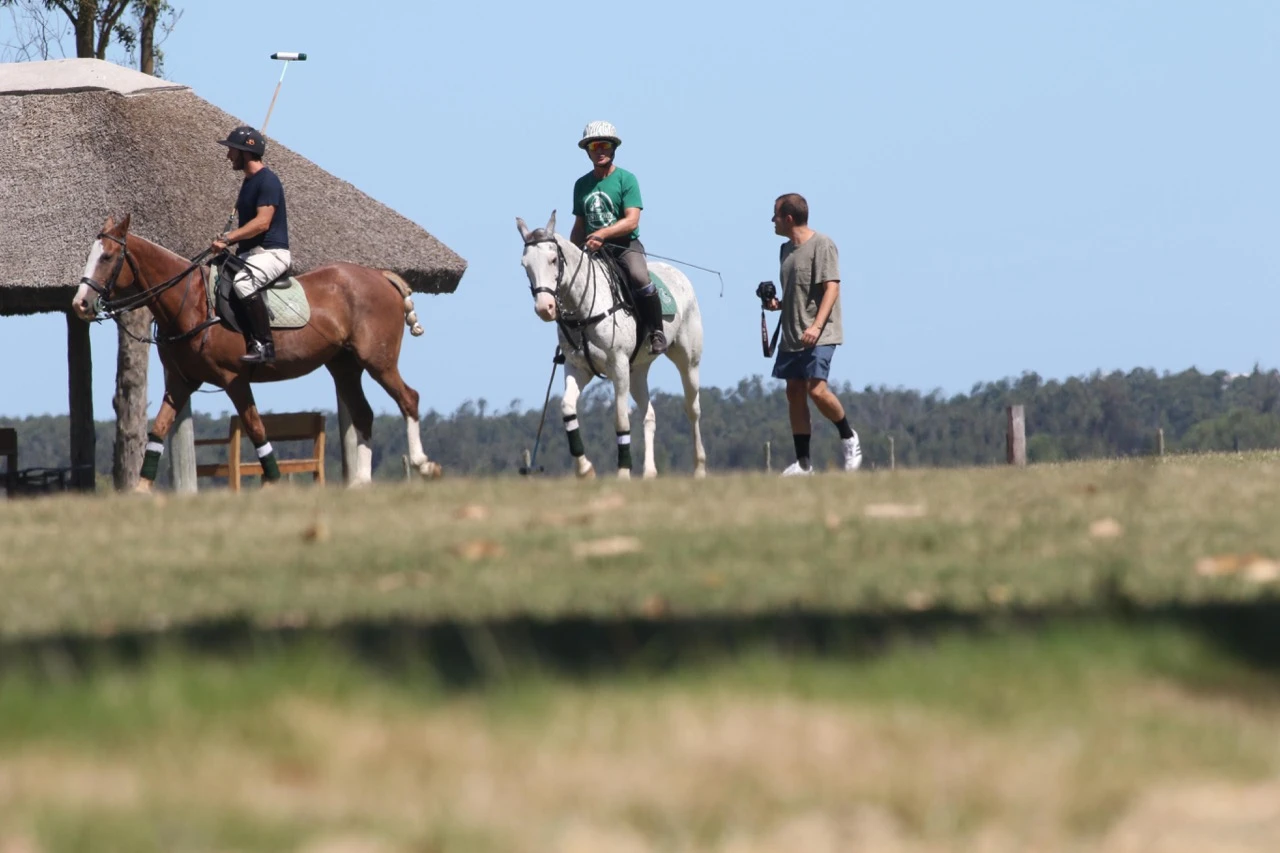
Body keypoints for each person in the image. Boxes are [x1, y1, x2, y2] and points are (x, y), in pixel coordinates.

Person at [763, 193, 862, 475]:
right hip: (792, 334)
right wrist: (776, 305)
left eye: (776, 215)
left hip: (821, 333)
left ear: (789, 218)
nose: (772, 220)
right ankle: (804, 464)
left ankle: (848, 436)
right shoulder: (785, 250)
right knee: (794, 392)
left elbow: (832, 288)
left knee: (816, 390)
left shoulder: (823, 245)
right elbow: (797, 294)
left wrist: (817, 326)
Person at [571, 120, 667, 355]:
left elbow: (632, 220)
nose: (600, 151)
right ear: (588, 152)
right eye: (594, 147)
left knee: (639, 277)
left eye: (604, 145)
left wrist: (603, 234)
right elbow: (579, 225)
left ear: (613, 148)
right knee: (570, 286)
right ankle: (570, 341)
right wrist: (571, 252)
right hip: (593, 249)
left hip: (624, 246)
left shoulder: (627, 179)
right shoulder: (581, 185)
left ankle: (657, 331)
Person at [211, 125, 291, 365]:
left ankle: (264, 346)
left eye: (232, 151)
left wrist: (228, 238)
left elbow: (262, 223)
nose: (228, 156)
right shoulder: (249, 182)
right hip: (249, 254)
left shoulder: (268, 181)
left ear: (245, 153)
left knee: (243, 283)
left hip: (272, 253)